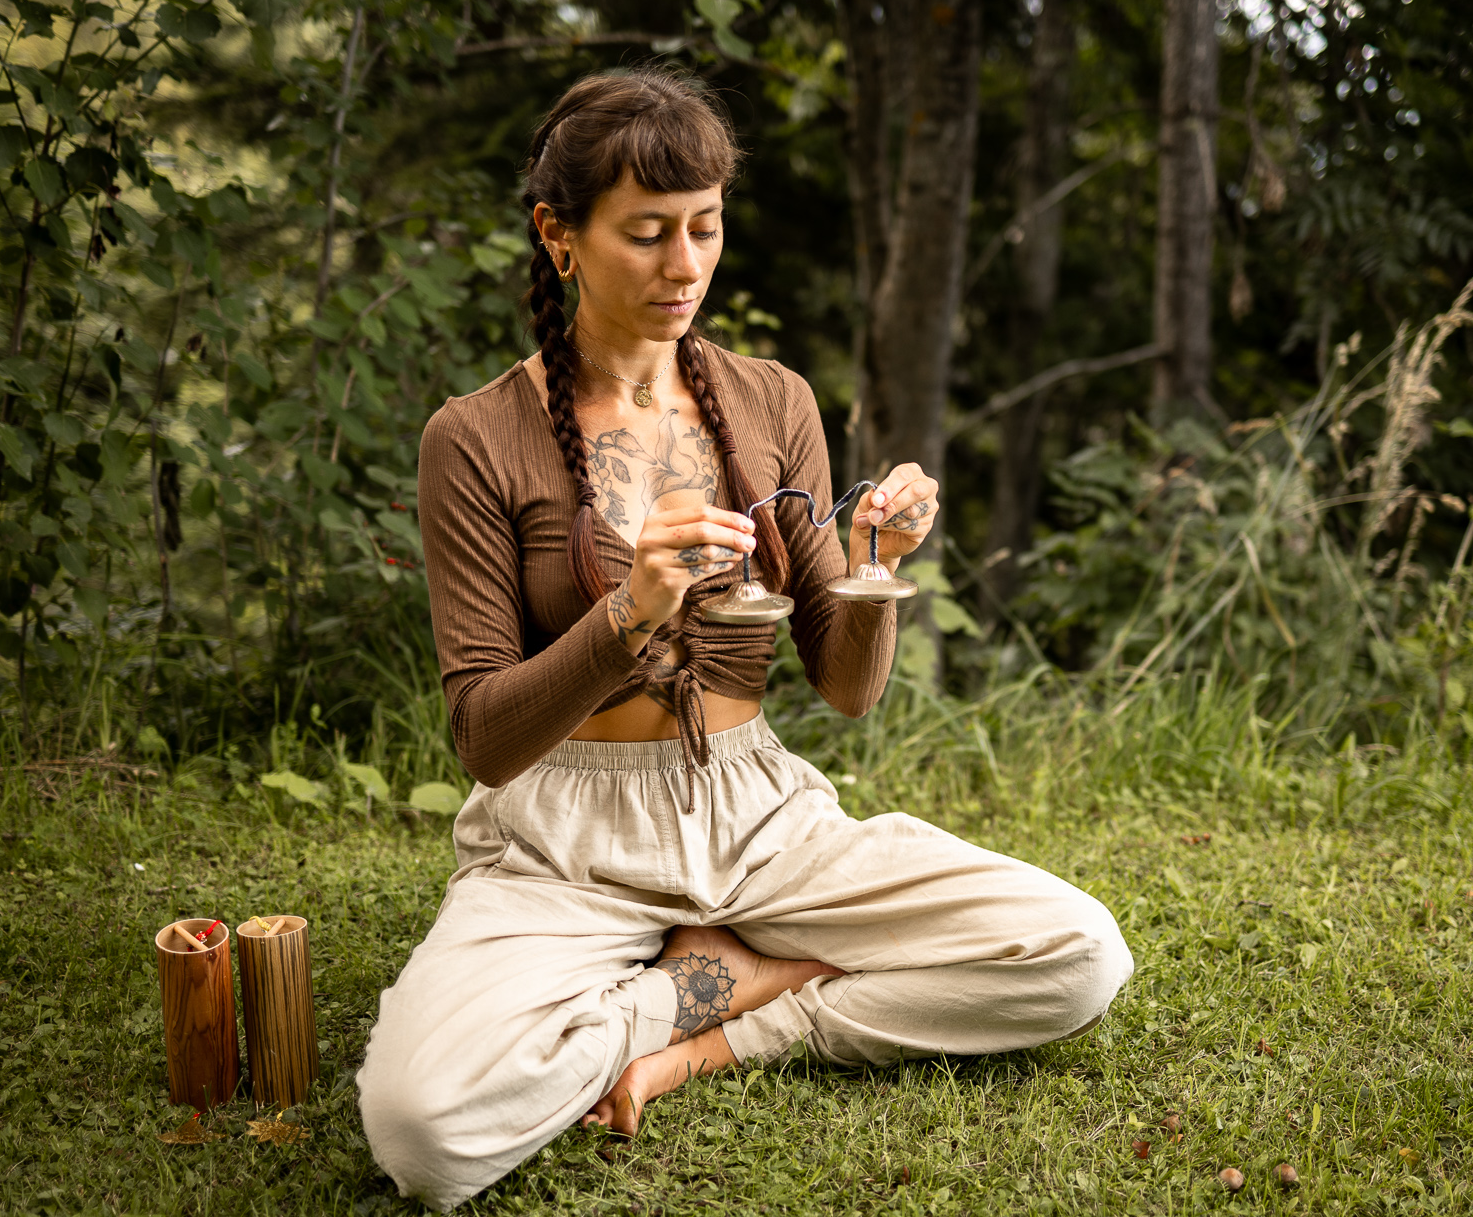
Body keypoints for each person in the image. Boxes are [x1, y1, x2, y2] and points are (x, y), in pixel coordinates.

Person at [356, 67, 1133, 1211]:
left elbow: (842, 686)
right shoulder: (474, 437)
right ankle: (706, 978)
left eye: (705, 228)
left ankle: (724, 1013)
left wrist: (873, 568)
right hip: (563, 833)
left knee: (1075, 954)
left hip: (758, 814)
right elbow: (481, 736)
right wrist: (628, 612)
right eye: (646, 234)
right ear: (557, 235)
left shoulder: (772, 402)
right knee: (422, 1134)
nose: (684, 267)